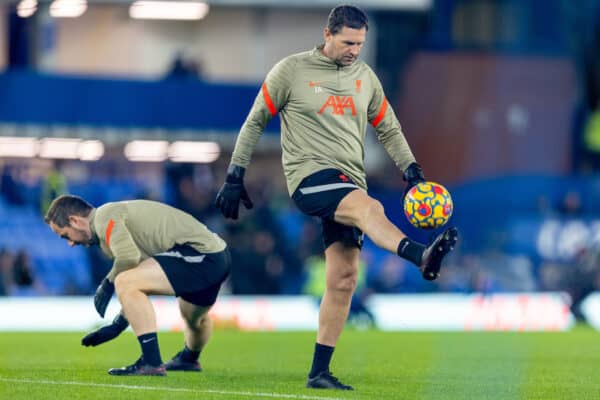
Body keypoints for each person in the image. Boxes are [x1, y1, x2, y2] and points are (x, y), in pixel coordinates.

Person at [215, 4, 458, 390]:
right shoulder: (291, 71)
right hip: (309, 178)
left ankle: (319, 372)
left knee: (344, 278)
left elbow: (389, 128)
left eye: (360, 43)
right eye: (347, 42)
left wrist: (412, 172)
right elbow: (255, 120)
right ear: (328, 34)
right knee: (368, 207)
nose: (354, 50)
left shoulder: (365, 77)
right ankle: (419, 255)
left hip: (349, 180)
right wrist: (234, 175)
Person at [44, 194, 230, 376]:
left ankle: (151, 362)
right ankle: (188, 359)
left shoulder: (103, 218)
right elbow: (142, 278)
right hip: (215, 255)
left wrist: (107, 284)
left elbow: (128, 259)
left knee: (123, 280)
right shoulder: (113, 218)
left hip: (199, 255)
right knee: (193, 318)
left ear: (74, 221)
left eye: (65, 235)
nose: (70, 243)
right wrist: (117, 325)